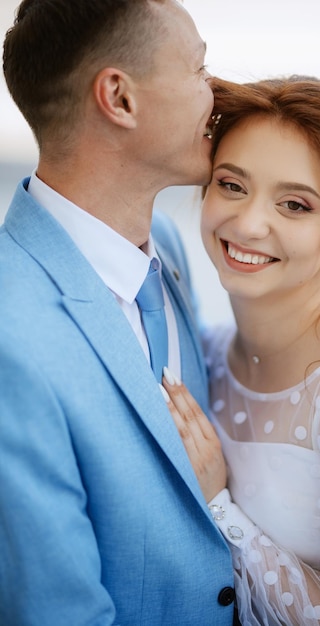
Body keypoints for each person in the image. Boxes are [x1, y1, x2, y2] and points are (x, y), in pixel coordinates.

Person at [0, 2, 237, 625]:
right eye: (198, 67)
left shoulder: (170, 247)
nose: (216, 91)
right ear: (120, 98)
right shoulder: (11, 341)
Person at [162, 76, 320, 625]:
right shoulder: (205, 350)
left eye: (295, 205)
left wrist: (221, 509)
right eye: (231, 185)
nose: (250, 223)